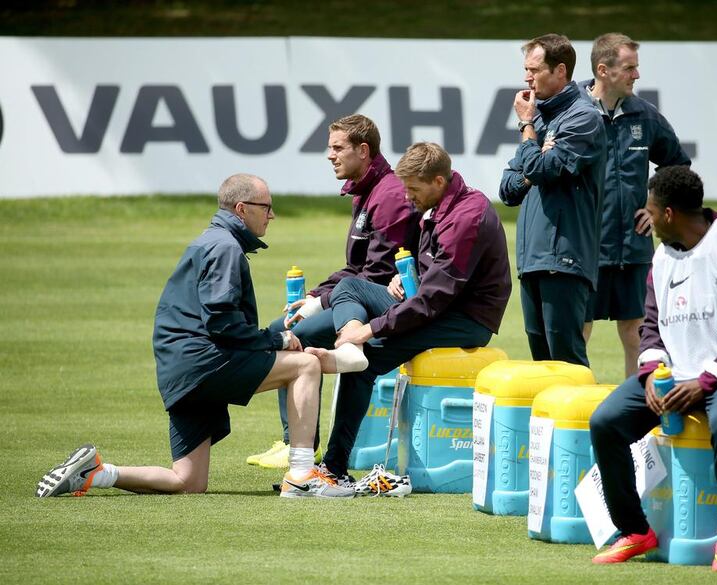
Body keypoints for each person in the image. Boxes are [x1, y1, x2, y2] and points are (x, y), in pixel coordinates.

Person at [35, 174, 354, 499]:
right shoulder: (225, 247)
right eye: (267, 207)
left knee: (188, 481)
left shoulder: (211, 240)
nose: (272, 215)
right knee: (305, 366)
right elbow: (221, 321)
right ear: (242, 209)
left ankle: (97, 473)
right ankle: (301, 475)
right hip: (204, 363)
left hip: (180, 372)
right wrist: (278, 340)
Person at [589, 166, 717, 571]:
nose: (647, 219)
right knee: (605, 421)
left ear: (669, 213)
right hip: (672, 378)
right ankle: (635, 531)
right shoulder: (661, 258)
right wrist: (651, 375)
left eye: (650, 212)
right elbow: (651, 327)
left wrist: (705, 381)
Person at [306, 142, 512, 494]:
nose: (407, 197)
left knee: (365, 359)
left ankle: (334, 468)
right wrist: (408, 273)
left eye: (413, 189)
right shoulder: (441, 203)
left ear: (437, 181)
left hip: (466, 320)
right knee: (351, 288)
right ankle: (348, 342)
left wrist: (371, 330)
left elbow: (434, 301)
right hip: (437, 304)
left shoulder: (467, 217)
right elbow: (433, 275)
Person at [246, 114, 421, 469]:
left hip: (379, 301)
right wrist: (313, 296)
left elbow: (379, 272)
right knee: (281, 328)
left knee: (293, 337)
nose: (330, 155)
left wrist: (322, 302)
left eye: (337, 147)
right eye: (330, 148)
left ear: (363, 150)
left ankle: (300, 447)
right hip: (356, 293)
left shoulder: (388, 196)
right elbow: (355, 267)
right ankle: (293, 440)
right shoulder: (367, 192)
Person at [580, 33, 691, 377]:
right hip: (584, 244)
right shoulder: (573, 111)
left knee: (637, 332)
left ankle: (635, 414)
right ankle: (575, 414)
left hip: (633, 244)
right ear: (603, 70)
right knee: (579, 330)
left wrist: (654, 207)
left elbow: (677, 165)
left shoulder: (645, 115)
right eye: (629, 68)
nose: (636, 75)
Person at [499, 33, 606, 368]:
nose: (527, 78)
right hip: (532, 257)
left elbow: (539, 167)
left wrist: (528, 127)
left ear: (560, 71)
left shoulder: (583, 117)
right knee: (542, 365)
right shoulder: (541, 116)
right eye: (525, 69)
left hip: (565, 256)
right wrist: (536, 166)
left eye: (534, 70)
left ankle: (583, 422)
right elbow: (508, 189)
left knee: (566, 362)